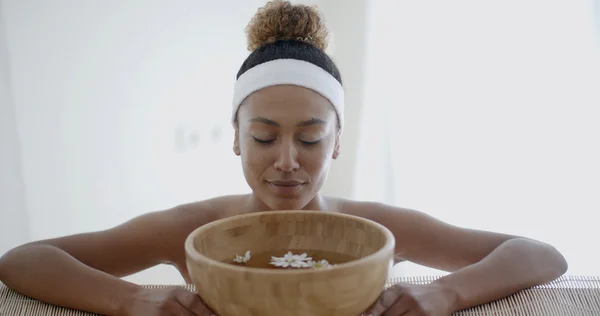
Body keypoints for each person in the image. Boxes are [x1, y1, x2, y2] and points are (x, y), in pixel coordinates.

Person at [0, 1, 567, 315]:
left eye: (312, 138)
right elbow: (25, 260)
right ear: (236, 137)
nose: (288, 161)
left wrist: (446, 291)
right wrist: (127, 301)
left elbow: (540, 255)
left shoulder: (375, 229)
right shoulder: (192, 230)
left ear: (338, 141)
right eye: (265, 137)